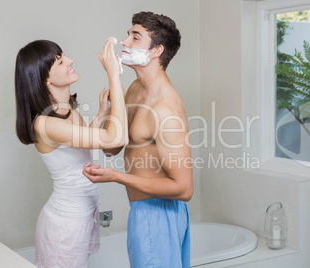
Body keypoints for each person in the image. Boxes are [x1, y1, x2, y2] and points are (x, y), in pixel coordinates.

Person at [83, 11, 193, 267]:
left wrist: (116, 177)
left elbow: (184, 188)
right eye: (128, 34)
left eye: (135, 37)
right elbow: (113, 148)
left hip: (159, 215)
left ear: (156, 51)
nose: (124, 42)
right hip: (141, 212)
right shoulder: (135, 88)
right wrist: (108, 108)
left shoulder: (165, 107)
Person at [14, 38, 128, 268]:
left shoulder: (68, 113)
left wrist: (102, 113)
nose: (70, 61)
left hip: (83, 215)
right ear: (45, 78)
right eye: (60, 61)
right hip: (65, 224)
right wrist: (114, 77)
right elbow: (116, 138)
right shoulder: (45, 124)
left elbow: (86, 144)